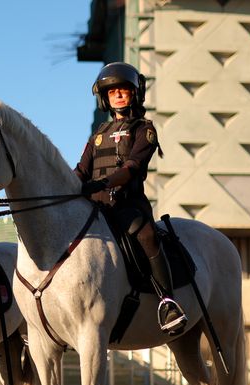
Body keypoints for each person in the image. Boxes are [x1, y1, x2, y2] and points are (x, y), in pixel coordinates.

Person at [75, 62, 187, 335]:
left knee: (147, 235)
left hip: (127, 205)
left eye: (124, 89)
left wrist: (106, 182)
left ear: (135, 93)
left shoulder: (144, 128)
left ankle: (168, 301)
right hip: (96, 206)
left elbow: (133, 166)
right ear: (105, 97)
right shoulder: (98, 135)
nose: (118, 95)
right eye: (112, 92)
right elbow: (80, 171)